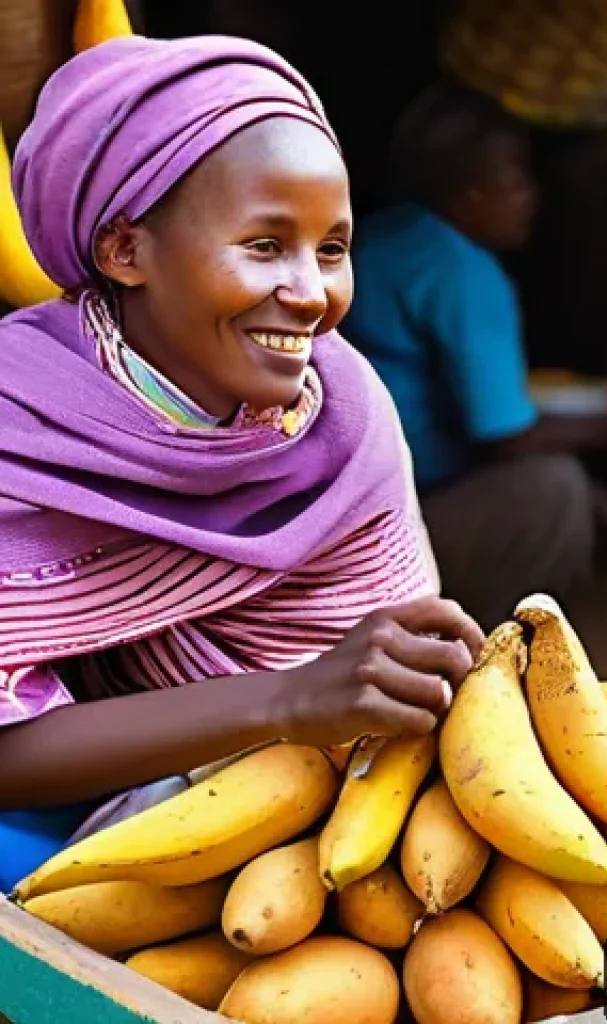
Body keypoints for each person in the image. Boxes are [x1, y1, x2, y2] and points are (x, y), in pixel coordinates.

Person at [0, 34, 487, 894]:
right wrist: (285, 701)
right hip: (54, 833)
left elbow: (381, 695)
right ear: (123, 250)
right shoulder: (20, 418)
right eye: (265, 245)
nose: (312, 294)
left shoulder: (344, 413)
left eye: (332, 249)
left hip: (319, 826)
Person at [342, 81, 607, 631]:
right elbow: (504, 438)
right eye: (516, 180)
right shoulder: (460, 269)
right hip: (397, 534)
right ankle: (486, 649)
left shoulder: (385, 236)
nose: (531, 197)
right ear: (468, 195)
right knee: (553, 489)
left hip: (343, 517)